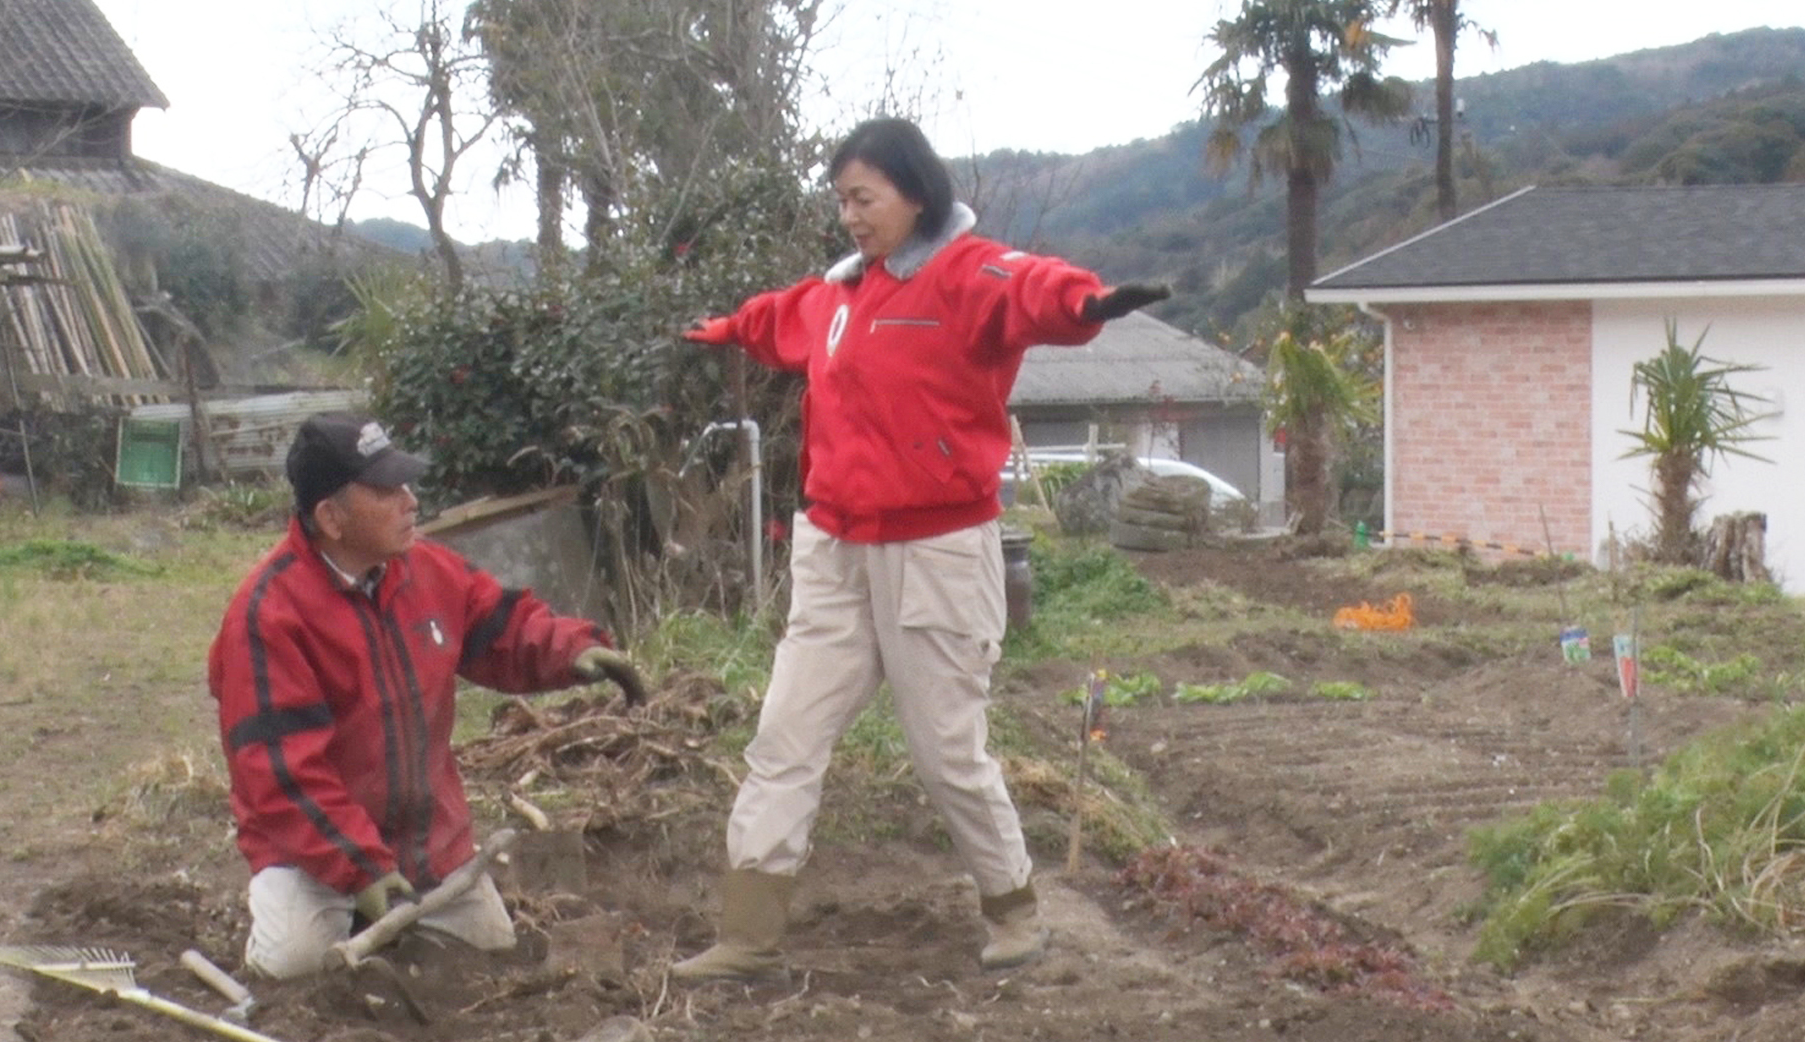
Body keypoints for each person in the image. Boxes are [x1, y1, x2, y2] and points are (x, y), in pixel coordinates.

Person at [672, 117, 1171, 980]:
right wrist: (724, 329)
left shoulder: (965, 275)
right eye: (841, 202)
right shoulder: (837, 295)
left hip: (936, 552)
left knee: (945, 751)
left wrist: (1086, 305)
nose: (851, 217)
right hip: (833, 550)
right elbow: (777, 318)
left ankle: (1013, 914)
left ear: (916, 193)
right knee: (783, 738)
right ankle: (747, 936)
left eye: (863, 199)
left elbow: (1032, 288)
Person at [208, 412, 645, 979]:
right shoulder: (267, 615)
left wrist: (574, 651)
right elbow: (281, 777)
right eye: (387, 490)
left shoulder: (426, 569)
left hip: (428, 847)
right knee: (294, 967)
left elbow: (502, 629)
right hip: (311, 855)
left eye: (406, 484)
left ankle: (388, 924)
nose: (411, 500)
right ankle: (334, 921)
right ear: (330, 517)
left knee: (489, 948)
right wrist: (361, 868)